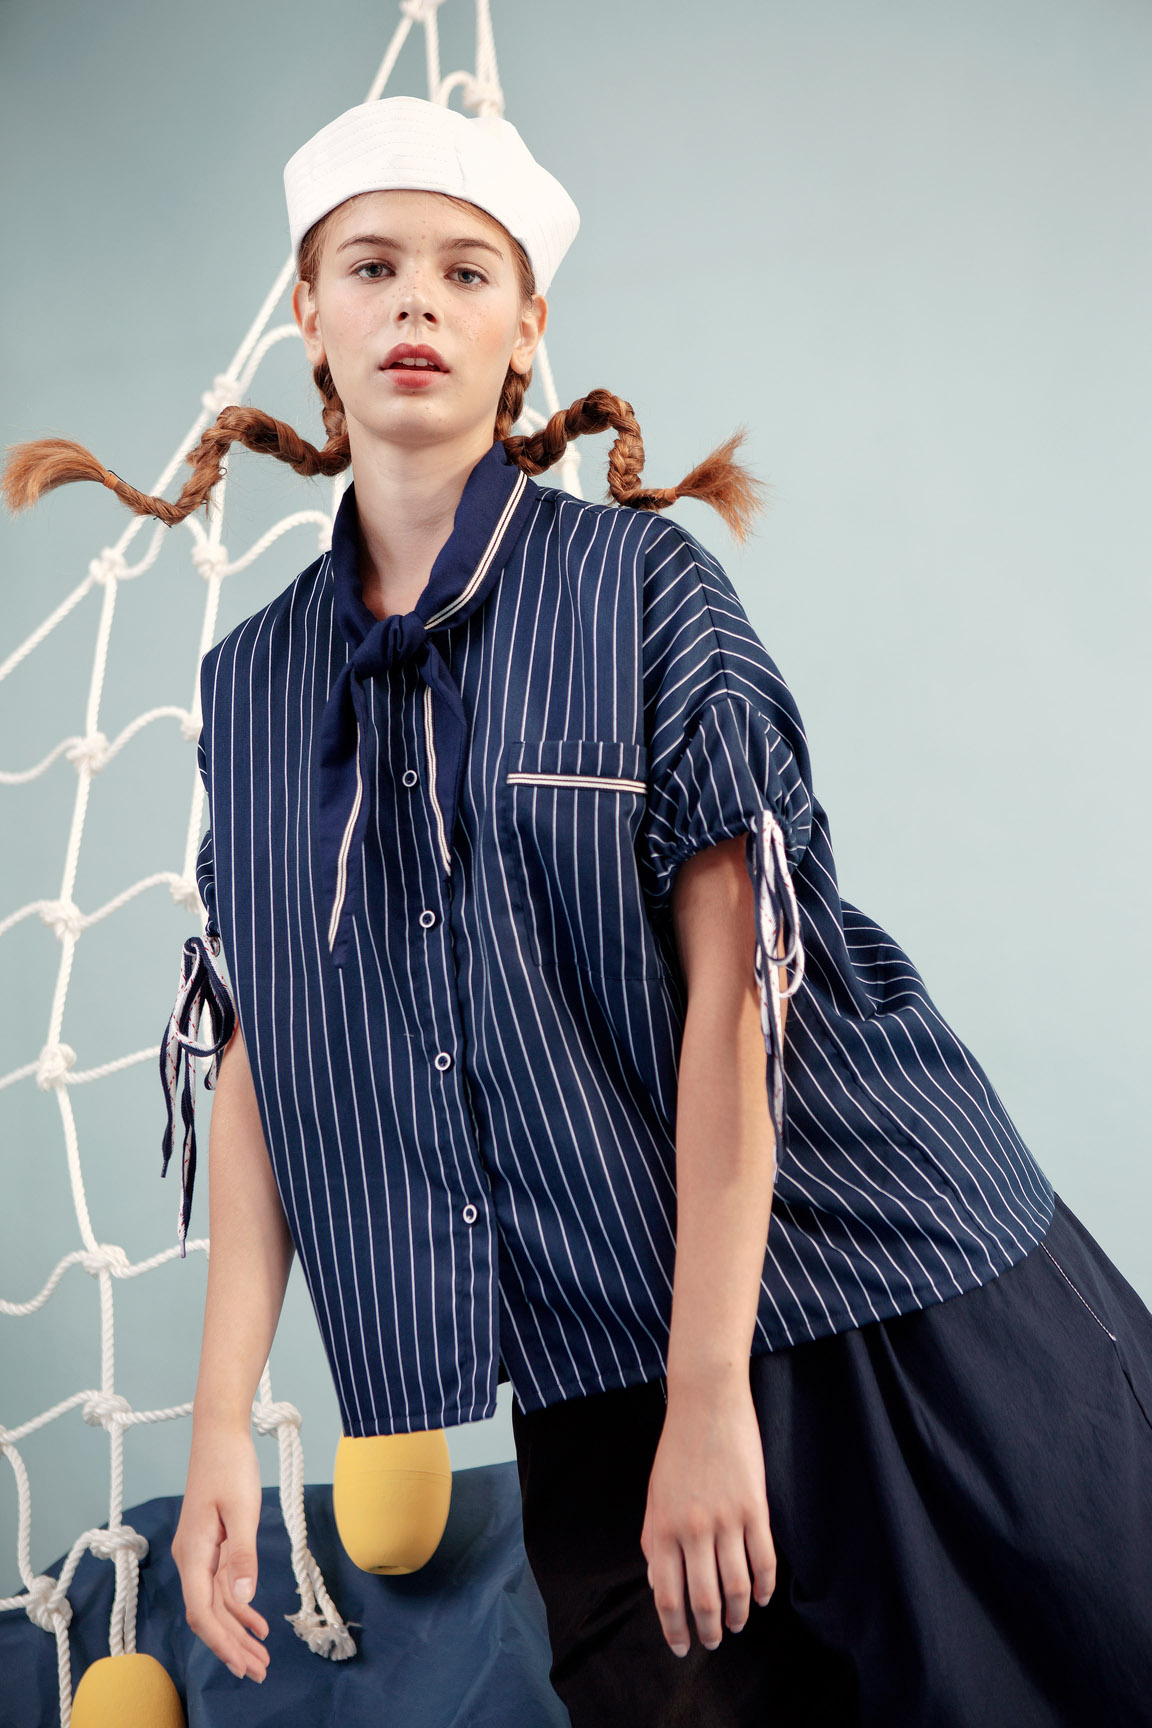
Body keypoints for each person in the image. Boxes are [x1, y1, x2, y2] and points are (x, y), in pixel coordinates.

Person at [5, 94, 1152, 1728]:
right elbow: (264, 1053)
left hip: (878, 1283)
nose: (416, 300)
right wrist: (215, 1429)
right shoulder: (250, 687)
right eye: (372, 266)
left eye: (465, 272)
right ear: (308, 316)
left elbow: (742, 1004)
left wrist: (713, 1396)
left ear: (526, 327)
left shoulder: (644, 590)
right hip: (590, 1353)